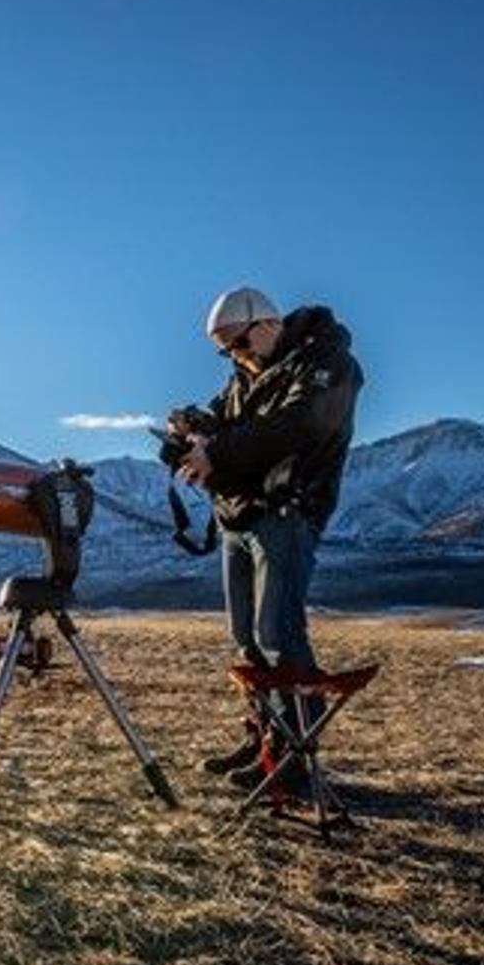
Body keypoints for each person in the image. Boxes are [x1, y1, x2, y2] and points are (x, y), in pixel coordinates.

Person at [169, 285, 362, 783]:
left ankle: (293, 756)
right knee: (246, 641)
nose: (236, 356)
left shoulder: (328, 364)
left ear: (268, 324)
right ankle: (265, 739)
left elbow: (297, 425)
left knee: (277, 634)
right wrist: (191, 432)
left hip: (286, 513)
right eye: (227, 349)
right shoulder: (244, 378)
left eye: (238, 343)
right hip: (238, 516)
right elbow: (228, 425)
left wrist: (220, 453)